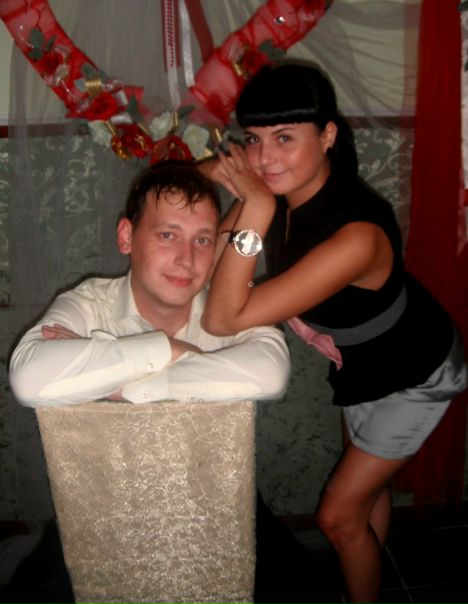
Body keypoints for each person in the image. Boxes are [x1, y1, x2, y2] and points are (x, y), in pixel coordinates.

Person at [200, 62, 468, 604]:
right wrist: (230, 180)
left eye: (285, 138)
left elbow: (222, 317)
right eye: (253, 139)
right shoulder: (286, 187)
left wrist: (254, 206)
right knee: (365, 495)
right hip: (363, 363)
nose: (265, 158)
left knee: (338, 518)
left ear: (327, 136)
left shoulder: (354, 236)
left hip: (415, 372)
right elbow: (209, 239)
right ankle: (360, 572)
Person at [9, 160, 290, 407]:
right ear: (126, 237)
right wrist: (172, 349)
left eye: (202, 240)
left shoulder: (230, 311)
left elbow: (272, 375)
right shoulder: (90, 304)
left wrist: (128, 386)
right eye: (168, 235)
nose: (186, 259)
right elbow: (28, 379)